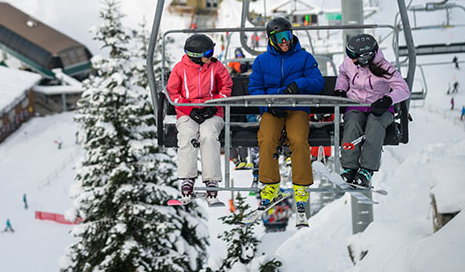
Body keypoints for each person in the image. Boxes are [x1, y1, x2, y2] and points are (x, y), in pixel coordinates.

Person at [248, 17, 324, 216]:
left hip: (297, 107)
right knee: (267, 138)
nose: (285, 41)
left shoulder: (304, 58)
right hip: (272, 109)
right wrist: (268, 104)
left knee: (298, 139)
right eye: (280, 37)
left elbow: (318, 81)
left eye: (288, 36)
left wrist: (300, 84)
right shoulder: (262, 61)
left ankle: (300, 185)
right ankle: (270, 184)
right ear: (271, 38)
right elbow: (254, 89)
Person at [334, 34, 410, 188]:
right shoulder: (350, 63)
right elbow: (343, 73)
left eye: (353, 56)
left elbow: (403, 89)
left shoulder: (385, 67)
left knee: (374, 127)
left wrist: (387, 100)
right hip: (356, 104)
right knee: (353, 124)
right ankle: (349, 168)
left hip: (380, 108)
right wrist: (340, 89)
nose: (350, 59)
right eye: (349, 55)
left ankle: (367, 170)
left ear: (365, 57)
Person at [166, 34, 233, 204]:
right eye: (208, 52)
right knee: (188, 135)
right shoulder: (180, 69)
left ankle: (211, 180)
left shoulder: (216, 67)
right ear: (195, 56)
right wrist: (189, 110)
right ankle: (187, 179)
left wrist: (214, 104)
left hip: (213, 112)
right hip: (187, 113)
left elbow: (227, 86)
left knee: (208, 136)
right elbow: (172, 93)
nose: (212, 55)